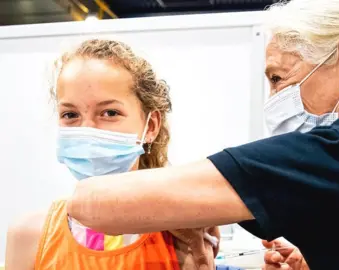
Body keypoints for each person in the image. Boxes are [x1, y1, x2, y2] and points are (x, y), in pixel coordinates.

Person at [66, 0, 339, 269]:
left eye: (278, 78)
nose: (273, 99)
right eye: (69, 114)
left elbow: (93, 203)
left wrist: (184, 212)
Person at [5, 39, 220, 270]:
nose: (87, 129)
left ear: (151, 126)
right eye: (70, 114)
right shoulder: (30, 236)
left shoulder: (184, 235)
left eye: (109, 112)